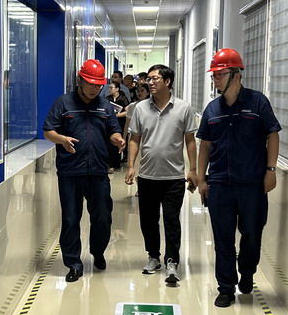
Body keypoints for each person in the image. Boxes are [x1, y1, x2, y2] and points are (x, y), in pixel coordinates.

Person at [196, 48, 282, 307]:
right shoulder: (212, 109)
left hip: (252, 185)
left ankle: (247, 271)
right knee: (223, 239)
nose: (215, 80)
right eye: (214, 75)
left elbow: (273, 134)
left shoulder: (258, 103)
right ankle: (225, 288)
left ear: (236, 75)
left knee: (252, 234)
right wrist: (201, 179)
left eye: (220, 74)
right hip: (220, 184)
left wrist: (271, 170)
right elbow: (205, 145)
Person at [43, 59, 126, 282]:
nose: (94, 88)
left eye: (98, 85)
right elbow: (48, 131)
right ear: (80, 80)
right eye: (90, 83)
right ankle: (73, 263)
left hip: (98, 170)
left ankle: (98, 252)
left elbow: (113, 130)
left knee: (102, 216)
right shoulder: (63, 103)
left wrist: (117, 139)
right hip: (70, 171)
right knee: (71, 218)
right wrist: (62, 139)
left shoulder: (105, 106)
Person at [125, 64, 198, 284]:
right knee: (148, 221)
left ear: (167, 82)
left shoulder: (183, 108)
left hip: (173, 177)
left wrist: (193, 169)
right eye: (148, 79)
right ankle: (153, 257)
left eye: (155, 78)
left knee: (172, 221)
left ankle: (172, 261)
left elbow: (190, 141)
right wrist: (131, 166)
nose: (150, 82)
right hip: (147, 176)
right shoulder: (140, 108)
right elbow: (134, 139)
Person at [106, 82, 129, 171]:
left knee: (119, 143)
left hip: (120, 123)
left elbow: (128, 111)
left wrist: (117, 115)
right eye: (109, 88)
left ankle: (117, 164)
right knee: (110, 144)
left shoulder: (123, 98)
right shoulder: (107, 99)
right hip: (110, 124)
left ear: (117, 89)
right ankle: (110, 164)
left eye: (111, 88)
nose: (109, 90)